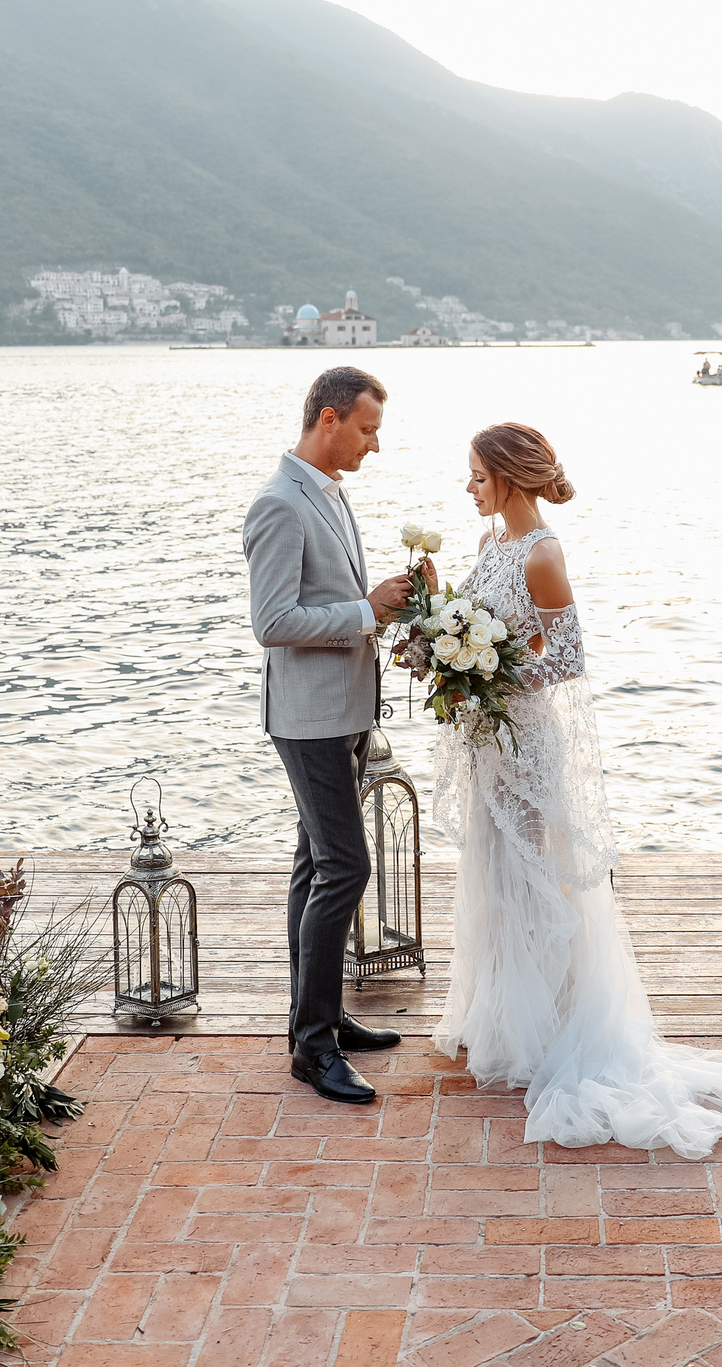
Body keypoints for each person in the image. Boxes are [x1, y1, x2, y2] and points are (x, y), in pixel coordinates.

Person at [426, 422, 722, 1156]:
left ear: (508, 476)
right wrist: (441, 625)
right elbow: (472, 621)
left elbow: (565, 656)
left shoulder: (541, 552)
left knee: (535, 878)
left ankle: (552, 1026)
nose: (467, 486)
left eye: (475, 475)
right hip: (490, 738)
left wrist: (488, 673)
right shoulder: (492, 544)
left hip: (526, 740)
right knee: (494, 875)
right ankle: (500, 1015)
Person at [242, 366, 433, 1105]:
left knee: (313, 865)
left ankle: (314, 1022)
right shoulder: (278, 504)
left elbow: (333, 599)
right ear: (328, 419)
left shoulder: (329, 494)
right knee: (345, 869)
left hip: (343, 712)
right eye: (366, 429)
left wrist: (385, 603)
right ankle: (313, 1048)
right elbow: (273, 623)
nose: (373, 446)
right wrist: (366, 610)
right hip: (310, 720)